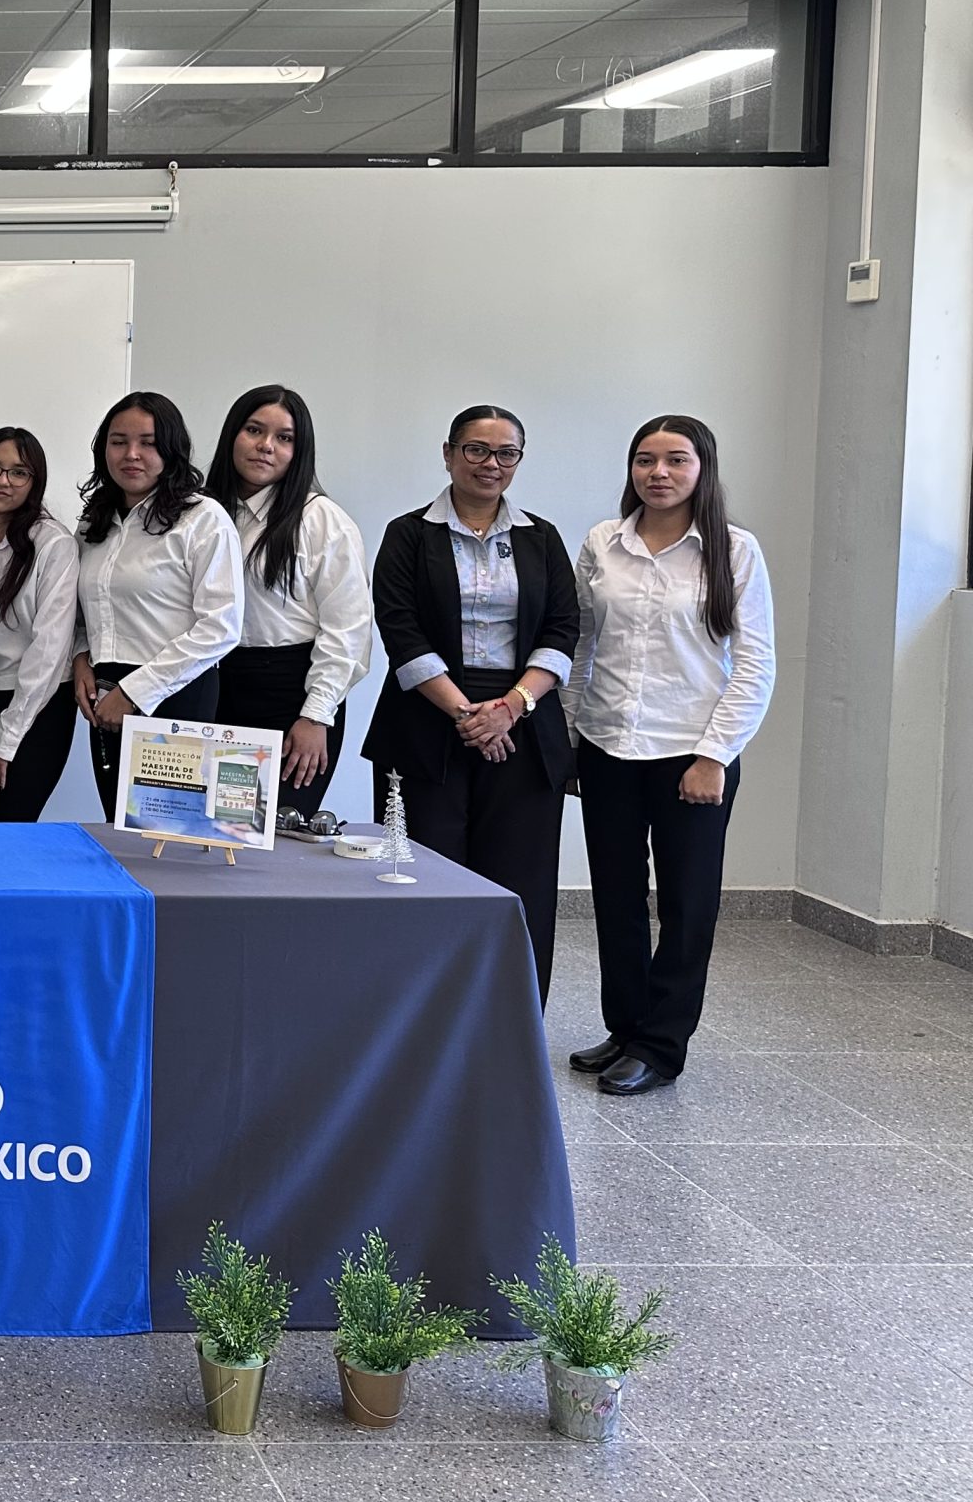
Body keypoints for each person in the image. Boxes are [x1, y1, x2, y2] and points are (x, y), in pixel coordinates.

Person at [567, 416, 776, 1096]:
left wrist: (715, 755)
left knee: (687, 904)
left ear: (701, 469)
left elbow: (754, 664)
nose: (658, 473)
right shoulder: (603, 542)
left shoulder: (734, 551)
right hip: (607, 745)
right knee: (618, 899)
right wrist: (570, 736)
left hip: (692, 753)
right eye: (645, 460)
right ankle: (625, 1027)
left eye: (675, 461)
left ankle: (662, 1045)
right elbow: (580, 647)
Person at [361, 405, 579, 1002]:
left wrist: (510, 707)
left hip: (524, 726)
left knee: (522, 885)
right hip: (427, 723)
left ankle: (512, 1023)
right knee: (423, 880)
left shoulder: (543, 537)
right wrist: (467, 714)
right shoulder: (408, 534)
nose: (491, 464)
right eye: (477, 449)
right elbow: (400, 631)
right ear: (449, 453)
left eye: (506, 453)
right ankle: (423, 1023)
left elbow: (562, 630)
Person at [71, 392, 245, 822]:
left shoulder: (202, 518)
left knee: (169, 834)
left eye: (148, 442)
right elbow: (81, 611)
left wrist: (135, 692)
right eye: (118, 441)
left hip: (174, 693)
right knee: (120, 826)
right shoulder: (95, 522)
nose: (132, 454)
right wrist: (80, 660)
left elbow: (222, 626)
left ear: (171, 450)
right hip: (106, 693)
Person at [203, 385, 373, 823]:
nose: (266, 446)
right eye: (254, 430)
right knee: (210, 833)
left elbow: (348, 630)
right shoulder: (202, 513)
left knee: (270, 836)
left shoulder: (322, 520)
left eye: (284, 438)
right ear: (232, 436)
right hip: (213, 687)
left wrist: (316, 716)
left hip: (290, 693)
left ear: (300, 450)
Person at [0, 427, 79, 824]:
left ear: (34, 483)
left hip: (35, 708)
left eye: (18, 472)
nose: (2, 480)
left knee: (11, 826)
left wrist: (5, 742)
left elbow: (49, 651)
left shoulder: (52, 545)